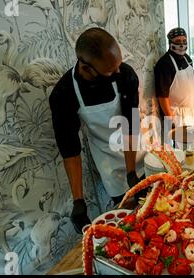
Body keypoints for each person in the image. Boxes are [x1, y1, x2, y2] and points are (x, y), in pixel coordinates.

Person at [49, 28, 144, 233]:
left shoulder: (125, 75)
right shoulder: (63, 94)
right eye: (111, 71)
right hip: (107, 159)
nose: (119, 72)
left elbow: (131, 124)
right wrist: (78, 202)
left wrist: (131, 172)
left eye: (118, 65)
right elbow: (70, 150)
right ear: (86, 68)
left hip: (135, 148)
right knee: (131, 221)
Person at [154, 27, 194, 142]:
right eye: (178, 41)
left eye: (184, 40)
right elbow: (162, 96)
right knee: (180, 148)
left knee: (193, 145)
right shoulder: (164, 64)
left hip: (190, 111)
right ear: (171, 42)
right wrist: (170, 118)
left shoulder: (187, 58)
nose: (182, 44)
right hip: (175, 114)